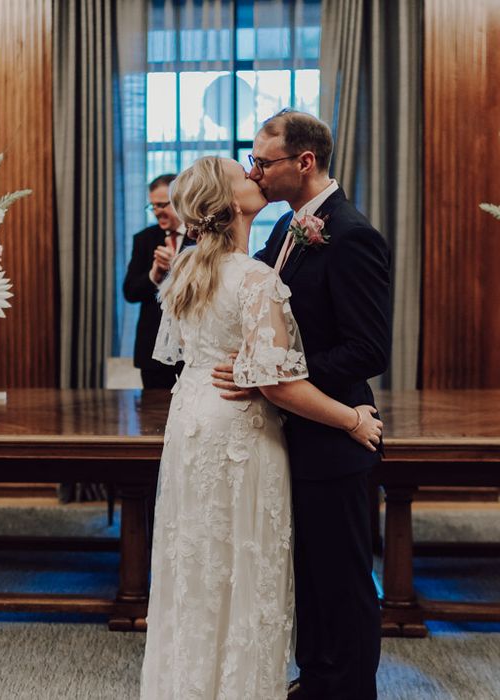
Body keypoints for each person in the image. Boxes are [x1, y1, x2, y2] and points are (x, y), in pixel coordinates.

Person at [140, 156, 383, 699]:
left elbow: (182, 358)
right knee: (244, 567)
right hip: (241, 433)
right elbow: (277, 384)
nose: (254, 176)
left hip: (193, 423)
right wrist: (353, 420)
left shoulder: (185, 269)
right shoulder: (254, 278)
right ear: (229, 203)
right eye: (242, 174)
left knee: (200, 568)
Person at [212, 110, 391, 699]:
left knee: (344, 581)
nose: (254, 171)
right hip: (294, 433)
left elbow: (367, 350)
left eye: (262, 162)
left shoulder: (352, 234)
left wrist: (273, 375)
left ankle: (349, 690)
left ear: (304, 163)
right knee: (308, 579)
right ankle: (316, 681)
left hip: (336, 440)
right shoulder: (288, 227)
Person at [123, 173, 193, 389]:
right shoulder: (144, 239)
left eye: (163, 205)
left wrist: (176, 266)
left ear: (180, 201)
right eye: (152, 206)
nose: (157, 212)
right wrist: (154, 274)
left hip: (190, 346)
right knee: (150, 415)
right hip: (152, 347)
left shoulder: (200, 236)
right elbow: (130, 292)